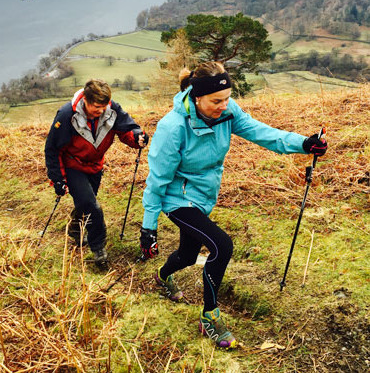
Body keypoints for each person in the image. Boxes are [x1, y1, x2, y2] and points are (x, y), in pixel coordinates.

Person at [140, 62, 327, 349]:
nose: (224, 106)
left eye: (227, 98)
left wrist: (303, 143)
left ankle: (163, 276)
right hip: (177, 199)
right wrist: (148, 227)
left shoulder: (227, 112)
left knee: (189, 256)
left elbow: (262, 132)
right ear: (197, 96)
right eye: (217, 101)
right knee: (221, 245)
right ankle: (209, 317)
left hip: (203, 196)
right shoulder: (173, 127)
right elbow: (157, 179)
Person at [45, 79, 148, 265]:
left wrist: (137, 138)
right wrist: (58, 179)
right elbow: (53, 148)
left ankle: (76, 229)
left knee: (85, 203)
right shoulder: (67, 115)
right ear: (85, 100)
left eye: (104, 106)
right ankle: (99, 249)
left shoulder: (112, 109)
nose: (101, 111)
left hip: (95, 166)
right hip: (73, 166)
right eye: (97, 106)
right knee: (92, 207)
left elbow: (127, 129)